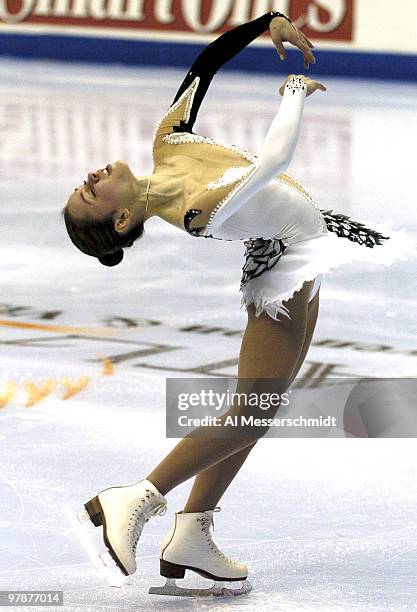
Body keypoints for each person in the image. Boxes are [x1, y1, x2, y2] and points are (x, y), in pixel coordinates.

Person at [62, 11, 416, 597]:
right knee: (252, 410)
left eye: (86, 179)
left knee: (257, 408)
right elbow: (272, 162)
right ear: (122, 219)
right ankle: (139, 498)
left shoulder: (168, 140)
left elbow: (204, 65)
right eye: (91, 192)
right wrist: (295, 93)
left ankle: (193, 532)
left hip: (305, 250)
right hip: (280, 270)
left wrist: (267, 22)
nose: (92, 174)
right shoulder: (197, 209)